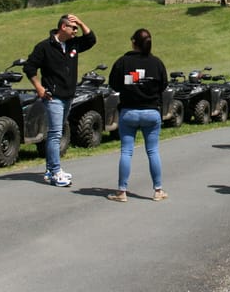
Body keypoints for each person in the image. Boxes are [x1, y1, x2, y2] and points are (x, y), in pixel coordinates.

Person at [23, 13, 96, 187]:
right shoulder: (44, 47)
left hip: (68, 95)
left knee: (57, 132)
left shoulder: (73, 44)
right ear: (63, 27)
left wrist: (79, 21)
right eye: (73, 28)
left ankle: (50, 170)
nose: (76, 31)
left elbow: (91, 39)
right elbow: (29, 67)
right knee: (55, 134)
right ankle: (56, 171)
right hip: (53, 97)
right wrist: (39, 88)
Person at [106, 28, 169, 202]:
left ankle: (122, 191)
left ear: (133, 42)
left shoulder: (122, 62)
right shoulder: (156, 63)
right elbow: (163, 85)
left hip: (129, 111)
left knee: (126, 151)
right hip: (151, 111)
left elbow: (114, 84)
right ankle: (158, 190)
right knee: (153, 151)